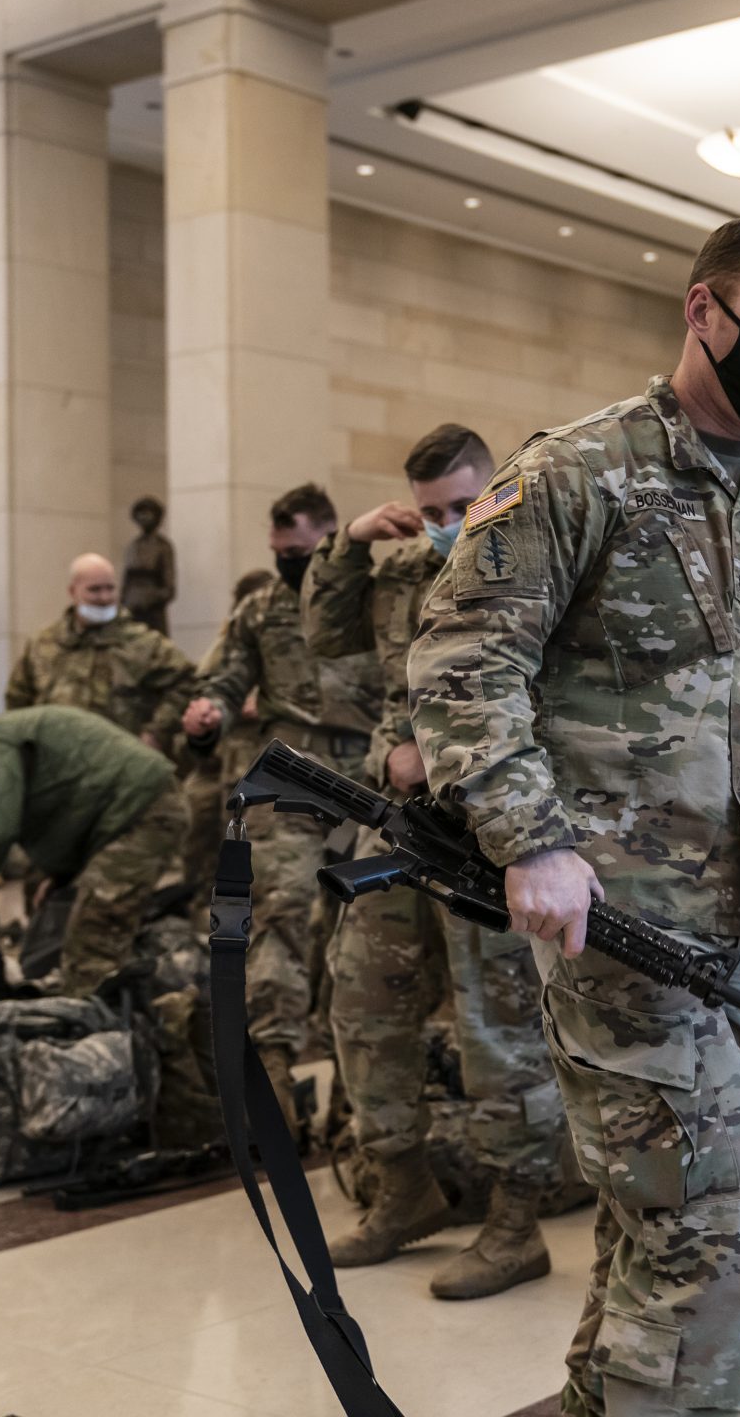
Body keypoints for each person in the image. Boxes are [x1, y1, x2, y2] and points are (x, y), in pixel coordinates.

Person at [408, 213, 740, 1417]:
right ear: (704, 311)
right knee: (716, 1241)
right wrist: (533, 838)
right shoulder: (579, 471)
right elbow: (463, 660)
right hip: (617, 926)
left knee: (660, 1222)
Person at [301, 424, 568, 1301]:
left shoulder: (538, 561)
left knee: (497, 1026)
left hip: (492, 828)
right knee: (364, 1000)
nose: (450, 523)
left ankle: (515, 1221)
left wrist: (448, 760)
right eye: (432, 511)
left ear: (496, 488)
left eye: (463, 504)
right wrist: (347, 544)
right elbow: (324, 631)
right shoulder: (405, 573)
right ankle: (403, 1188)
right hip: (401, 824)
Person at [183, 483, 381, 1128]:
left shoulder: (372, 597)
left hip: (366, 780)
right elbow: (223, 673)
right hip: (290, 776)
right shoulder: (262, 607)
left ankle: (357, 1097)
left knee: (358, 931)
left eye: (298, 552)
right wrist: (208, 712)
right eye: (279, 552)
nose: (287, 564)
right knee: (281, 912)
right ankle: (273, 1073)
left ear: (327, 539)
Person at [0, 706, 187, 997]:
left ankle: (95, 1033)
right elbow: (69, 800)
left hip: (144, 810)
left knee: (93, 937)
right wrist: (61, 874)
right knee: (70, 929)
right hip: (126, 813)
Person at [5, 552, 196, 749]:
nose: (104, 598)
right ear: (73, 591)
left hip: (121, 761)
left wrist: (155, 734)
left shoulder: (144, 643)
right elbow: (18, 702)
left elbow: (186, 682)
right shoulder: (43, 645)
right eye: (94, 590)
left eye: (110, 589)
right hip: (54, 763)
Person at [179, 569, 276, 902]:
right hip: (235, 760)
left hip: (271, 758)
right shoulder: (229, 644)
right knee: (226, 845)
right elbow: (208, 690)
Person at [122, 496, 177, 635]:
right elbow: (126, 579)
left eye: (148, 513)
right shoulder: (133, 545)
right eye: (141, 513)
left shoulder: (163, 546)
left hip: (153, 611)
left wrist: (152, 599)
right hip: (131, 608)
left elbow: (169, 585)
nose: (144, 518)